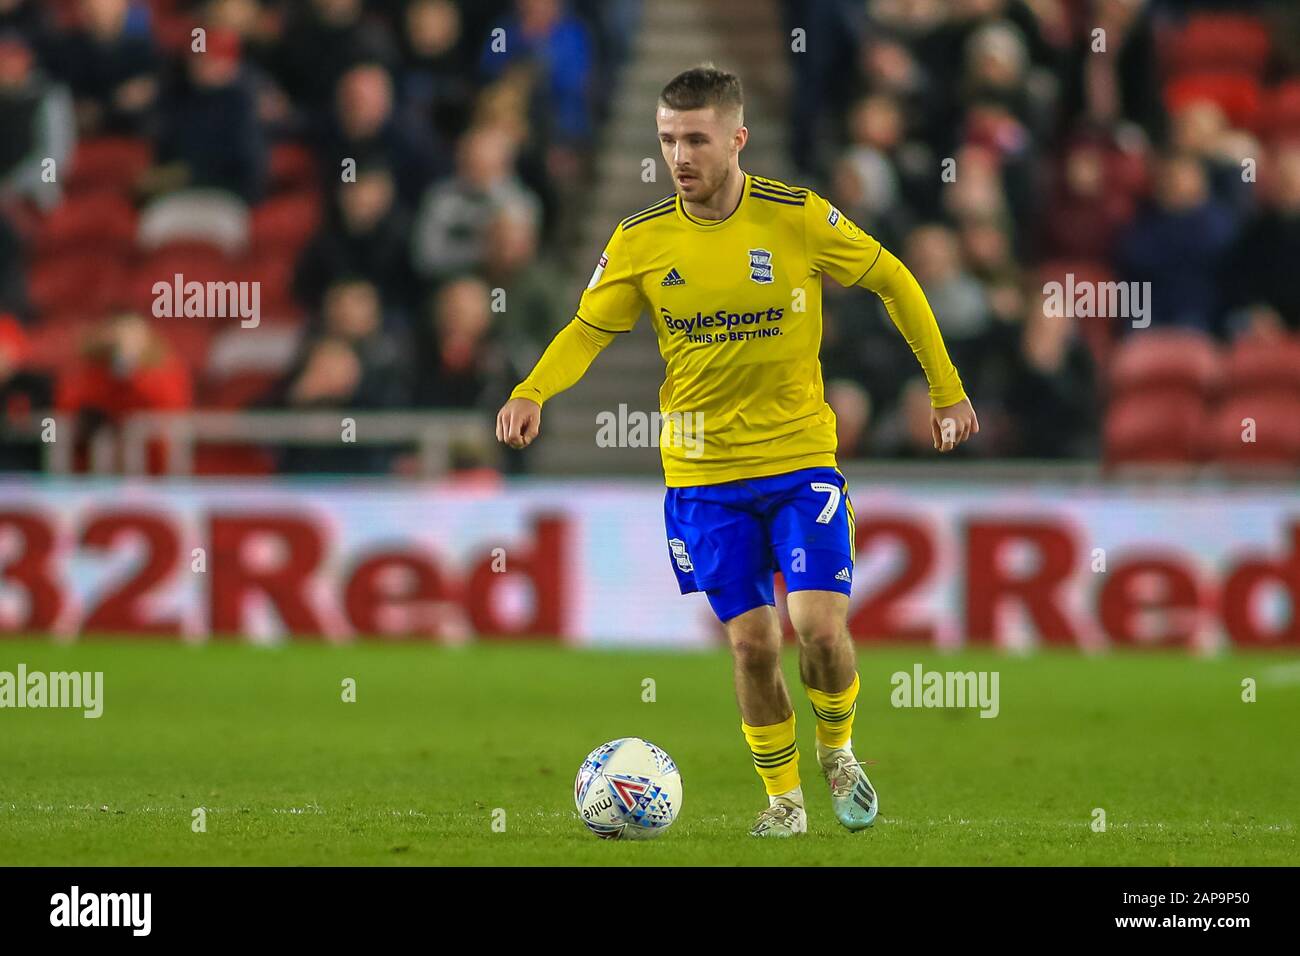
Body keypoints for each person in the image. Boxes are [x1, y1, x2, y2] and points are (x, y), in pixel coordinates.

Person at [495, 66, 978, 837]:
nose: (678, 156)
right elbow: (589, 330)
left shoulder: (797, 217)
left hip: (799, 462)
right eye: (665, 140)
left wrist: (946, 389)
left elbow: (894, 280)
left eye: (694, 139)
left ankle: (839, 750)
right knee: (754, 647)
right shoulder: (641, 239)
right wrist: (533, 390)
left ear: (736, 139)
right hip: (703, 478)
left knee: (819, 630)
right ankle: (783, 802)